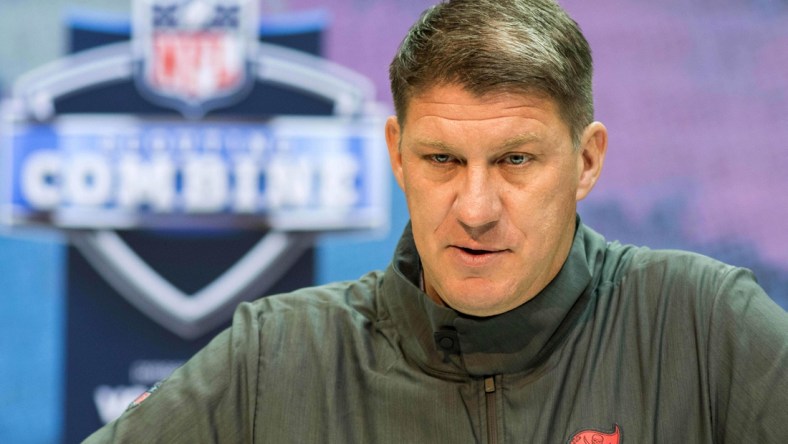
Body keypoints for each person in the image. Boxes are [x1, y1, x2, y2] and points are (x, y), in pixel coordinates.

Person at [85, 0, 788, 442]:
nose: (476, 210)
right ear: (397, 154)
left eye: (516, 160)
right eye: (443, 160)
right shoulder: (275, 358)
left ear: (587, 160)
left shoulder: (704, 327)